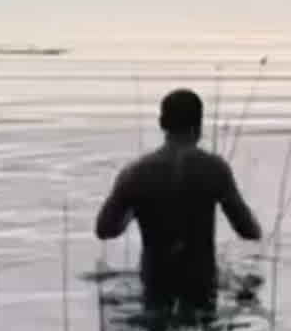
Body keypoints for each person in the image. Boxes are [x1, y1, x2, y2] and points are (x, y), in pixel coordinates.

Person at [96, 88, 263, 296]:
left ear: (162, 124)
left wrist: (133, 212)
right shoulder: (214, 169)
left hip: (155, 286)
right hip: (202, 286)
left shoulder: (134, 173)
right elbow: (250, 232)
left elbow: (104, 230)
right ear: (199, 126)